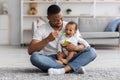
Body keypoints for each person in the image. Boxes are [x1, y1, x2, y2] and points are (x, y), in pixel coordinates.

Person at [28, 4, 97, 75]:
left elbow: (82, 44)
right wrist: (47, 39)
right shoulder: (41, 29)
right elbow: (30, 50)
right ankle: (73, 67)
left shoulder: (70, 26)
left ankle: (62, 69)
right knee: (35, 57)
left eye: (61, 18)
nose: (60, 22)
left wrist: (75, 47)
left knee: (92, 52)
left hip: (71, 56)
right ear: (48, 17)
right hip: (52, 59)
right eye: (56, 20)